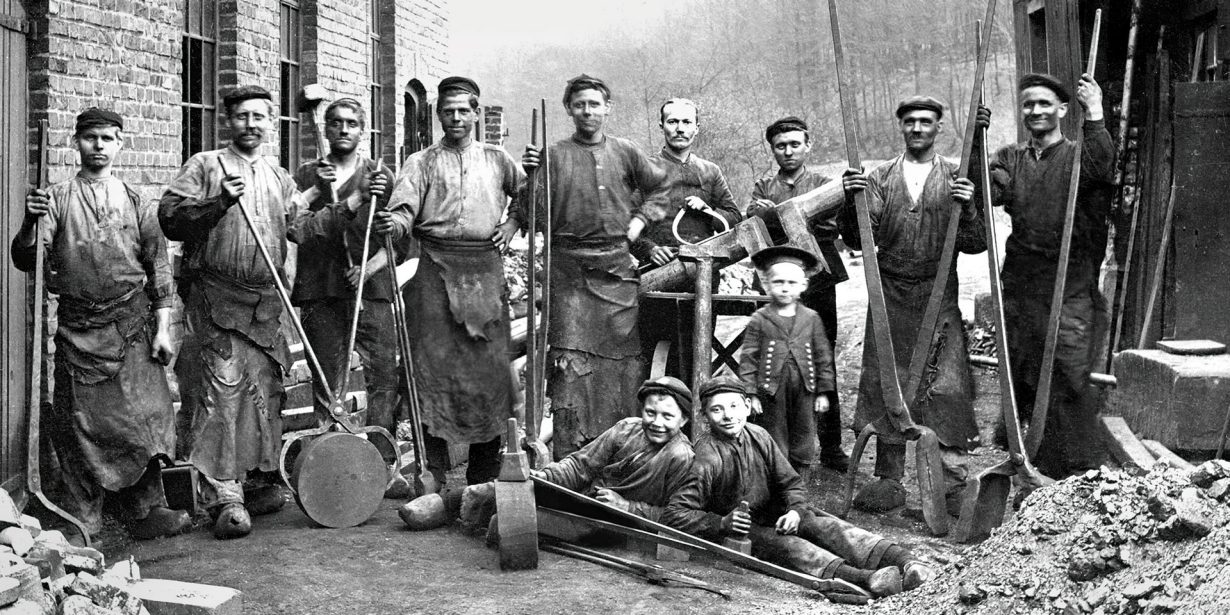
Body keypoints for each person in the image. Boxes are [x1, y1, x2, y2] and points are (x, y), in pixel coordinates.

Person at [161, 85, 335, 539]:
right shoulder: (205, 166)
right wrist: (217, 202)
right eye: (242, 116)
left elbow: (299, 229)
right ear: (228, 121)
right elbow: (170, 218)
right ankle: (225, 494)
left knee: (266, 393)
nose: (251, 124)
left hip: (265, 302)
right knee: (221, 393)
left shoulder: (280, 178)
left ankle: (258, 480)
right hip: (216, 297)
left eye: (259, 116)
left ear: (270, 122)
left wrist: (326, 192)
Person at [10, 108, 190, 540]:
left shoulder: (136, 201)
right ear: (76, 143)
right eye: (90, 138)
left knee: (145, 420)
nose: (99, 146)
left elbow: (159, 270)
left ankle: (146, 509)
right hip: (79, 330)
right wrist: (29, 223)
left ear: (120, 144)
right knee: (79, 424)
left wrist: (164, 328)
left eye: (108, 138)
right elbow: (24, 258)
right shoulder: (54, 200)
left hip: (131, 326)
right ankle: (82, 516)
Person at [839, 96, 986, 515]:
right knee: (889, 378)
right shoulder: (880, 177)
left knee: (948, 383)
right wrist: (853, 205)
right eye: (910, 122)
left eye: (926, 121)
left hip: (938, 294)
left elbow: (976, 244)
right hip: (890, 294)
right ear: (900, 126)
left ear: (940, 128)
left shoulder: (956, 177)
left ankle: (952, 483)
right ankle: (889, 479)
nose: (918, 128)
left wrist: (971, 207)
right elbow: (856, 237)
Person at [374, 76, 524, 487]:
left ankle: (483, 474)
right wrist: (395, 223)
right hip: (434, 272)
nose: (455, 118)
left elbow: (531, 193)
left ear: (476, 113)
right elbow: (403, 212)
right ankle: (432, 470)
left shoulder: (497, 159)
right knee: (431, 371)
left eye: (463, 111)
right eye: (447, 111)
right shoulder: (420, 163)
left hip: (483, 273)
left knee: (488, 375)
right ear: (437, 115)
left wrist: (513, 221)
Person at [662, 376, 936, 598]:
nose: (728, 416)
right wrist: (722, 522)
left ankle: (906, 562)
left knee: (824, 525)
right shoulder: (706, 456)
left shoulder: (759, 436)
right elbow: (674, 514)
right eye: (716, 410)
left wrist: (794, 510)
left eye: (734, 406)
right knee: (792, 547)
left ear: (747, 406)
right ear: (705, 415)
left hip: (774, 512)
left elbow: (790, 481)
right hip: (741, 530)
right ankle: (868, 579)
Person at [518, 74, 668, 460]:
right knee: (570, 365)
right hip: (567, 271)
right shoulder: (552, 155)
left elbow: (661, 187)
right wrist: (530, 176)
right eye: (579, 104)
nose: (588, 111)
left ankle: (621, 453)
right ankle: (571, 456)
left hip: (617, 271)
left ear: (608, 108)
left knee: (623, 367)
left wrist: (640, 221)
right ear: (569, 109)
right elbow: (529, 213)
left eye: (594, 104)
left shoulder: (626, 151)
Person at [984, 73, 1115, 478]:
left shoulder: (1078, 155)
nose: (1036, 111)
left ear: (1061, 110)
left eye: (1044, 103)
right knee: (1025, 365)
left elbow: (1102, 168)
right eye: (1028, 104)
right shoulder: (1011, 158)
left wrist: (1094, 112)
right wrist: (976, 141)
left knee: (1070, 367)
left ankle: (1075, 470)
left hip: (1071, 278)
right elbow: (989, 189)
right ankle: (1032, 458)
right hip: (1024, 280)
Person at [288, 98, 397, 435]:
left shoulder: (380, 175)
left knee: (383, 374)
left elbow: (400, 241)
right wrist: (316, 190)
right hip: (322, 288)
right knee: (325, 377)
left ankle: (381, 457)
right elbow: (295, 229)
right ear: (326, 128)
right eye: (336, 122)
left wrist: (369, 267)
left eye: (352, 123)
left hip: (371, 289)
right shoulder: (308, 173)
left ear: (362, 130)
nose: (344, 129)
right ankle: (332, 452)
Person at [746, 117, 849, 472]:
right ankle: (777, 446)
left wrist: (778, 217)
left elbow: (829, 224)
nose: (788, 151)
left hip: (818, 276)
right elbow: (754, 225)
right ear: (772, 149)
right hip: (776, 279)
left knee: (822, 359)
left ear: (808, 145)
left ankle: (832, 447)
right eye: (780, 146)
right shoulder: (764, 185)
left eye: (794, 144)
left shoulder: (824, 183)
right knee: (774, 360)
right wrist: (774, 218)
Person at [469, 376, 694, 531]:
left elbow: (675, 516)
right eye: (650, 412)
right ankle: (447, 503)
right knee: (515, 488)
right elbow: (580, 466)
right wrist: (546, 477)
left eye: (667, 416)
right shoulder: (626, 428)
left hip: (617, 525)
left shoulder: (681, 457)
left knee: (515, 523)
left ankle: (486, 518)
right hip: (585, 499)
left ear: (683, 419)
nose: (657, 423)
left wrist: (626, 506)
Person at [737, 246, 835, 482]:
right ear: (767, 285)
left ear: (804, 286)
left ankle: (800, 486)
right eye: (778, 282)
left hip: (805, 388)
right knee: (775, 434)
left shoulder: (811, 318)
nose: (784, 287)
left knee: (804, 434)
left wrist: (823, 391)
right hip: (771, 390)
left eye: (792, 282)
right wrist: (751, 394)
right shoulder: (760, 319)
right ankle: (777, 486)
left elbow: (823, 357)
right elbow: (748, 358)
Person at [631, 98, 741, 268]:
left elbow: (734, 219)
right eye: (673, 122)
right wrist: (650, 250)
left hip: (704, 269)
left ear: (697, 128)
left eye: (687, 122)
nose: (680, 129)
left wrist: (707, 211)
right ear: (662, 126)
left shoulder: (711, 171)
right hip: (656, 270)